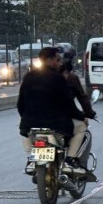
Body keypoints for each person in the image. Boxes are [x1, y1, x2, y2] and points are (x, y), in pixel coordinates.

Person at [17, 46, 81, 174]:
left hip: (31, 124)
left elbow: (20, 104)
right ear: (50, 61)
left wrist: (26, 117)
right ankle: (70, 160)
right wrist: (81, 116)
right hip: (57, 125)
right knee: (82, 128)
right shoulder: (58, 79)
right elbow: (69, 104)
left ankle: (31, 159)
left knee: (25, 130)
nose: (60, 63)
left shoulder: (28, 77)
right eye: (58, 60)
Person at [58, 45, 97, 175]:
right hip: (61, 120)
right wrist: (87, 115)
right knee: (83, 130)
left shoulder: (37, 77)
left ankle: (31, 159)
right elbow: (79, 101)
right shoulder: (69, 78)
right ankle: (73, 161)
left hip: (37, 120)